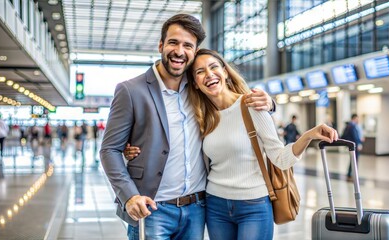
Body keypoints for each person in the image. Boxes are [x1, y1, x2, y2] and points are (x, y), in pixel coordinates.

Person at [125, 49, 338, 240]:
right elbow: (175, 142)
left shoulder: (252, 105)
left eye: (214, 67)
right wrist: (134, 148)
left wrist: (309, 135)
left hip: (254, 205)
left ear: (225, 72)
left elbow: (280, 158)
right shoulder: (201, 116)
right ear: (195, 84)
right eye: (200, 72)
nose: (209, 74)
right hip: (215, 205)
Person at [100, 14, 274, 240]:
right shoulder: (131, 90)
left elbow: (233, 104)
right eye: (173, 42)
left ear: (194, 52)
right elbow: (109, 149)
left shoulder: (199, 89)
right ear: (161, 45)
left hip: (197, 209)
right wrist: (129, 196)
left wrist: (270, 104)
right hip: (153, 209)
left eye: (188, 46)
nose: (180, 51)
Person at [341, 114, 363, 181]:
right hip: (354, 146)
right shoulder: (352, 126)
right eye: (357, 118)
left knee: (353, 160)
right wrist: (359, 143)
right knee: (354, 160)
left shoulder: (349, 125)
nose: (358, 120)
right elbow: (355, 137)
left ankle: (350, 174)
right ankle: (352, 174)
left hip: (352, 145)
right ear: (354, 118)